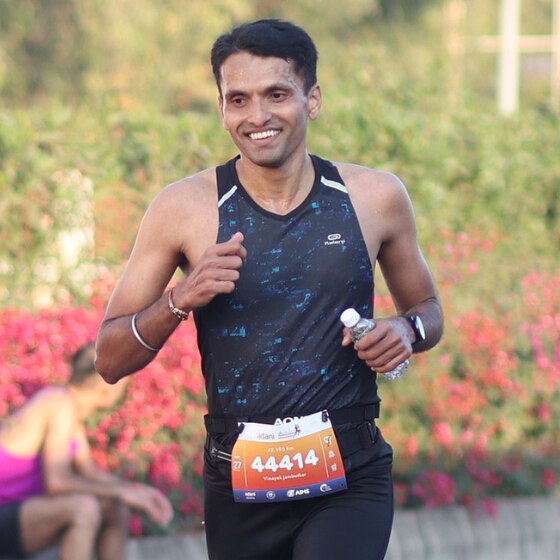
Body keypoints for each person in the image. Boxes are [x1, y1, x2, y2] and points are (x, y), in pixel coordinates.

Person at [95, 18, 443, 560]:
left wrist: (406, 328)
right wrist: (179, 300)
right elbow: (109, 359)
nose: (257, 116)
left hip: (348, 474)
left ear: (312, 100)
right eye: (238, 100)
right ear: (221, 108)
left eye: (276, 95)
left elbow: (427, 310)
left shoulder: (373, 197)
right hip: (240, 480)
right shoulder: (184, 208)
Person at [0, 342, 173, 560]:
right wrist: (122, 491)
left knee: (115, 507)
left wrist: (135, 491)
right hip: (6, 514)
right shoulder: (59, 404)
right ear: (108, 385)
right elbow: (57, 482)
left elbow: (89, 471)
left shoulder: (68, 407)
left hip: (19, 514)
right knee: (83, 509)